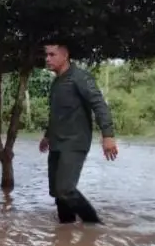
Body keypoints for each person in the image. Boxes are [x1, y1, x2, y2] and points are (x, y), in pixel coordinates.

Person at [39, 38, 118, 224]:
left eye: (52, 54)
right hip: (57, 142)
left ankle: (94, 225)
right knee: (57, 191)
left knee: (65, 189)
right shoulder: (57, 82)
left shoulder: (80, 77)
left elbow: (99, 105)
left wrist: (108, 135)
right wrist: (47, 136)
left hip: (75, 142)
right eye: (46, 54)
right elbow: (56, 114)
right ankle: (65, 231)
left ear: (65, 55)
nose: (47, 59)